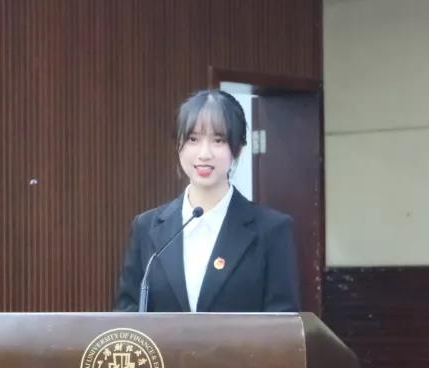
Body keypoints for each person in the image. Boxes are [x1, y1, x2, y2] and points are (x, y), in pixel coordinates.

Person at [115, 89, 300, 313]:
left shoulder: (271, 230)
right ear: (178, 145)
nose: (204, 153)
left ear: (238, 148)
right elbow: (127, 313)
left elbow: (282, 320)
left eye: (218, 140)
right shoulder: (146, 227)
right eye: (193, 139)